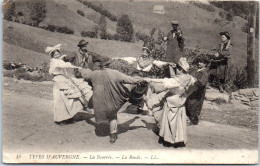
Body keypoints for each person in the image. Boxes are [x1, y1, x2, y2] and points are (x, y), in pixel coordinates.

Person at [77, 59, 144, 143]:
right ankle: (113, 134)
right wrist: (143, 79)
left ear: (101, 66)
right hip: (112, 100)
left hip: (99, 101)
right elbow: (130, 80)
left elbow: (85, 75)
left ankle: (103, 127)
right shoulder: (115, 73)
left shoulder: (95, 73)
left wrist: (80, 69)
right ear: (109, 66)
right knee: (112, 114)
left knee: (102, 112)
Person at [145, 57, 196, 148]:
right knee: (179, 122)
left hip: (172, 101)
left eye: (177, 68)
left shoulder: (176, 81)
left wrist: (150, 79)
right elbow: (194, 86)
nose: (176, 70)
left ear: (180, 69)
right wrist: (186, 94)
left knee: (169, 121)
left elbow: (164, 81)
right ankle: (179, 139)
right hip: (180, 101)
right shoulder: (189, 78)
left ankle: (169, 139)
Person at [46, 44, 93, 124]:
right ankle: (61, 119)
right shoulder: (54, 62)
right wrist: (76, 67)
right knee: (61, 99)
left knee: (70, 98)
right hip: (59, 80)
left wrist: (62, 58)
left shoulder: (57, 60)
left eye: (58, 53)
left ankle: (69, 116)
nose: (57, 55)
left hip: (63, 78)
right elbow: (61, 66)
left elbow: (61, 62)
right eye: (55, 54)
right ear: (52, 56)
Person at [185, 56, 210, 125]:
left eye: (201, 62)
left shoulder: (204, 73)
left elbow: (202, 83)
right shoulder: (195, 70)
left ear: (205, 64)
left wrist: (194, 80)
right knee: (189, 103)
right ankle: (188, 118)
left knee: (195, 105)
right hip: (192, 90)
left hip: (198, 92)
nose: (199, 63)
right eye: (199, 62)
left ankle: (193, 121)